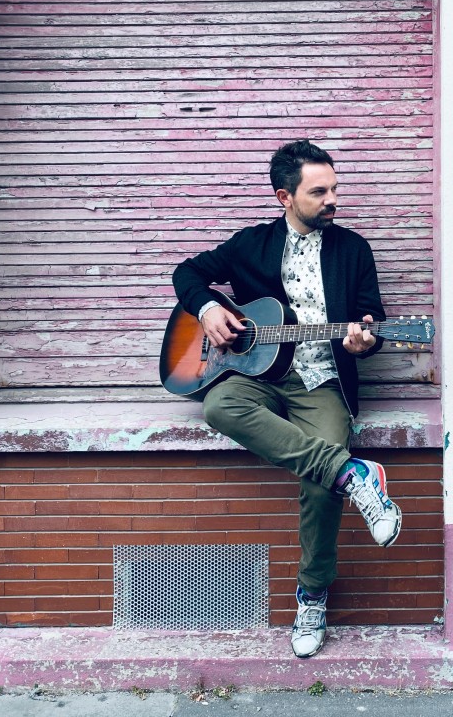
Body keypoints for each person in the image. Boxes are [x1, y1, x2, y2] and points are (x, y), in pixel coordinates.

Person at [171, 140, 402, 658]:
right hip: (257, 376)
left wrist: (366, 339)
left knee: (319, 486)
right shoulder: (250, 245)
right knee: (219, 407)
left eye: (335, 188)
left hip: (321, 381)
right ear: (284, 196)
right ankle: (353, 474)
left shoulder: (353, 250)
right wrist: (208, 307)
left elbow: (371, 324)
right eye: (319, 191)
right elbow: (186, 272)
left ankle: (312, 595)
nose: (332, 199)